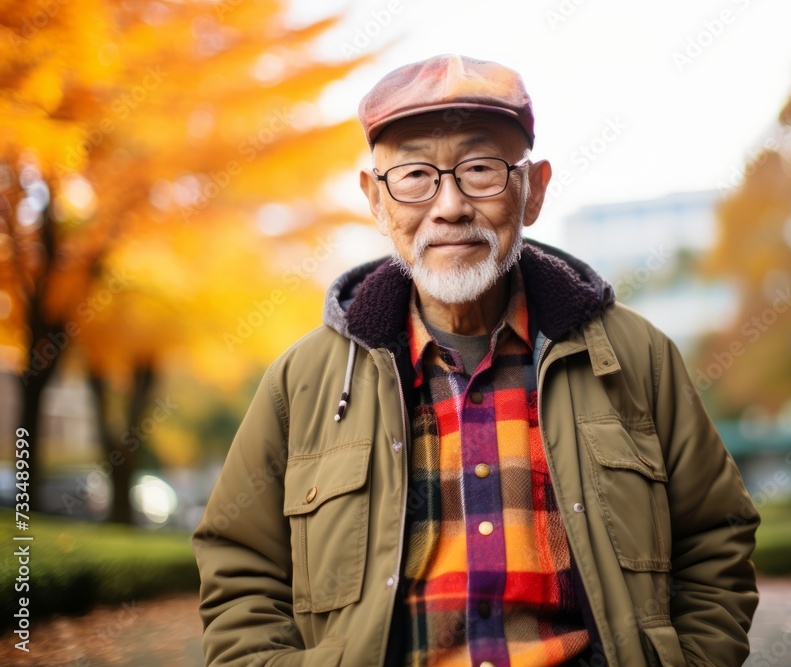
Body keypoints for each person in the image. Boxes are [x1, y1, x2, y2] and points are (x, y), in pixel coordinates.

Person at [193, 54, 759, 667]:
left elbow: (715, 537)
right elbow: (240, 569)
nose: (450, 206)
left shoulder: (637, 358)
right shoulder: (303, 381)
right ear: (375, 201)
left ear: (533, 189)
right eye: (414, 175)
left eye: (481, 169)